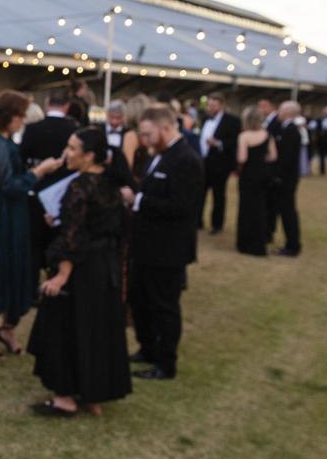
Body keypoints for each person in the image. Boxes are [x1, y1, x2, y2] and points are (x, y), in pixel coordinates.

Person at [27, 129, 131, 416]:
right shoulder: (110, 184)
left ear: (90, 156)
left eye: (73, 148)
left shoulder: (80, 187)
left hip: (82, 270)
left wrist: (61, 275)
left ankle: (65, 398)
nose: (66, 153)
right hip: (105, 268)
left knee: (66, 326)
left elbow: (74, 239)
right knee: (96, 329)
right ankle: (92, 394)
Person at [0, 91, 62, 360]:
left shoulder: (2, 141)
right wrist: (40, 171)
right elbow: (9, 185)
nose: (23, 120)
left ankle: (7, 327)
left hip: (10, 212)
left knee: (15, 264)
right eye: (20, 115)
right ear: (8, 116)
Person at [119, 105, 202, 381]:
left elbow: (182, 206)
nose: (144, 140)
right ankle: (147, 348)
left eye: (148, 134)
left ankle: (166, 363)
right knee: (140, 300)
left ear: (165, 128)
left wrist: (138, 200)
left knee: (164, 306)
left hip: (168, 249)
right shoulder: (159, 156)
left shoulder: (186, 159)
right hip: (145, 245)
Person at [20, 89, 78, 298]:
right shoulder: (74, 129)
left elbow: (22, 158)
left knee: (34, 245)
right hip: (65, 195)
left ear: (47, 104)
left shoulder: (33, 129)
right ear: (67, 106)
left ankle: (31, 288)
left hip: (36, 191)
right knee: (58, 241)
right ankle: (56, 283)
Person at [235, 106, 277, 256]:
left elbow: (242, 158)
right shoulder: (267, 134)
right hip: (263, 174)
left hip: (248, 175)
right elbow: (273, 156)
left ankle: (245, 244)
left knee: (246, 208)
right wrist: (260, 160)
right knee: (260, 208)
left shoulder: (244, 136)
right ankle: (259, 243)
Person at [197, 92, 240, 235]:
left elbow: (235, 141)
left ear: (221, 106)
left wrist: (219, 143)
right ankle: (198, 221)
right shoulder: (205, 119)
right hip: (203, 162)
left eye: (213, 105)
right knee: (200, 193)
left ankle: (217, 224)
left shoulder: (232, 121)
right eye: (209, 105)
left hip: (220, 164)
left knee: (218, 195)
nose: (210, 108)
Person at [271, 101, 304, 257]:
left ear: (289, 112)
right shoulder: (285, 128)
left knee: (288, 212)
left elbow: (287, 158)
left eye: (281, 109)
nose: (278, 112)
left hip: (286, 180)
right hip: (285, 178)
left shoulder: (291, 131)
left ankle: (293, 245)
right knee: (283, 211)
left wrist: (278, 176)